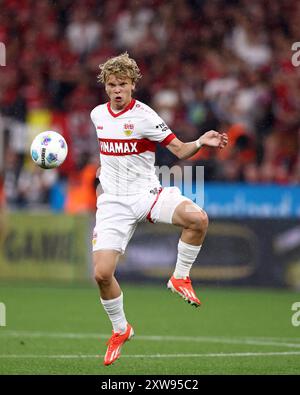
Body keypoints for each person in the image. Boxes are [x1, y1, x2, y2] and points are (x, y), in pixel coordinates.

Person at [90, 53, 228, 366]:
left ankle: (180, 277)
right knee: (101, 274)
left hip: (146, 193)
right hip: (113, 202)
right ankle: (121, 329)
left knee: (198, 219)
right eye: (111, 84)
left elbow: (178, 149)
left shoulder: (144, 116)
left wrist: (201, 141)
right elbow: (107, 155)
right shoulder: (97, 115)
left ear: (132, 85)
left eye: (122, 84)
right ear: (105, 87)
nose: (117, 90)